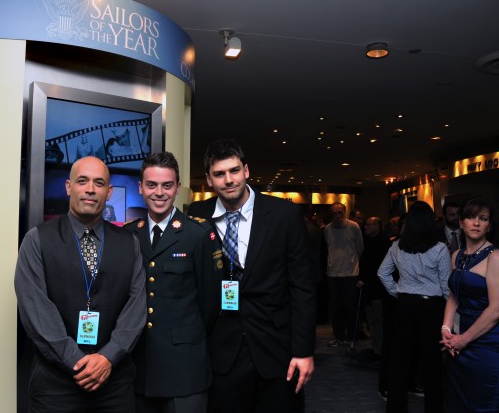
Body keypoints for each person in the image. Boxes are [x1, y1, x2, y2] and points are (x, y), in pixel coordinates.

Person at [187, 139, 315, 413]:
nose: (228, 180)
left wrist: (304, 350)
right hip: (221, 351)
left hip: (277, 349)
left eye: (234, 171)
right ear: (209, 179)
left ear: (246, 170)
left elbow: (302, 287)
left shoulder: (285, 215)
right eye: (219, 174)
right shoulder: (197, 216)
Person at [15, 156, 147, 413]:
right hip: (55, 387)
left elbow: (137, 305)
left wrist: (108, 357)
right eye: (82, 181)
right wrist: (78, 361)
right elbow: (36, 311)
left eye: (99, 183)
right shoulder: (37, 240)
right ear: (68, 187)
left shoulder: (129, 243)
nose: (90, 189)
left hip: (114, 386)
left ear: (108, 192)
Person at [123, 152, 221, 413]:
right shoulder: (128, 235)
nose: (159, 193)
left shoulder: (198, 234)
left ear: (178, 188)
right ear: (140, 187)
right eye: (152, 185)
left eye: (167, 185)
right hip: (138, 366)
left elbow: (210, 302)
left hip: (184, 366)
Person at [378, 201, 450, 413]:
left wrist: (398, 291)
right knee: (432, 363)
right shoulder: (440, 249)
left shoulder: (397, 246)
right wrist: (452, 318)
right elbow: (446, 287)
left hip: (405, 305)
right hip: (431, 307)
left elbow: (382, 273)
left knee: (399, 361)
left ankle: (396, 409)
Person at [441, 198, 498, 412]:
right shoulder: (457, 255)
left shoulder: (495, 258)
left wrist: (463, 339)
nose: (476, 223)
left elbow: (496, 309)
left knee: (483, 403)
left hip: (488, 345)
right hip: (459, 343)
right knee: (459, 402)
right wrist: (446, 329)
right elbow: (454, 296)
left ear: (489, 226)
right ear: (461, 222)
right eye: (470, 217)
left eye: (482, 219)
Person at [325, 202, 364, 349]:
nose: (337, 216)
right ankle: (339, 337)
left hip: (350, 273)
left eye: (340, 212)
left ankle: (351, 338)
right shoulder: (328, 229)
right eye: (334, 213)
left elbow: (360, 249)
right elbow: (328, 248)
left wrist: (353, 264)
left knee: (350, 308)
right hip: (332, 274)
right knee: (335, 309)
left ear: (345, 212)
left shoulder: (354, 227)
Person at [358, 216, 392, 356]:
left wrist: (365, 279)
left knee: (379, 319)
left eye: (368, 225)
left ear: (377, 226)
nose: (365, 227)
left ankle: (381, 348)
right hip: (368, 286)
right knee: (371, 319)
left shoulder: (384, 241)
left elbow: (379, 266)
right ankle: (375, 346)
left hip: (378, 287)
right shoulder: (367, 240)